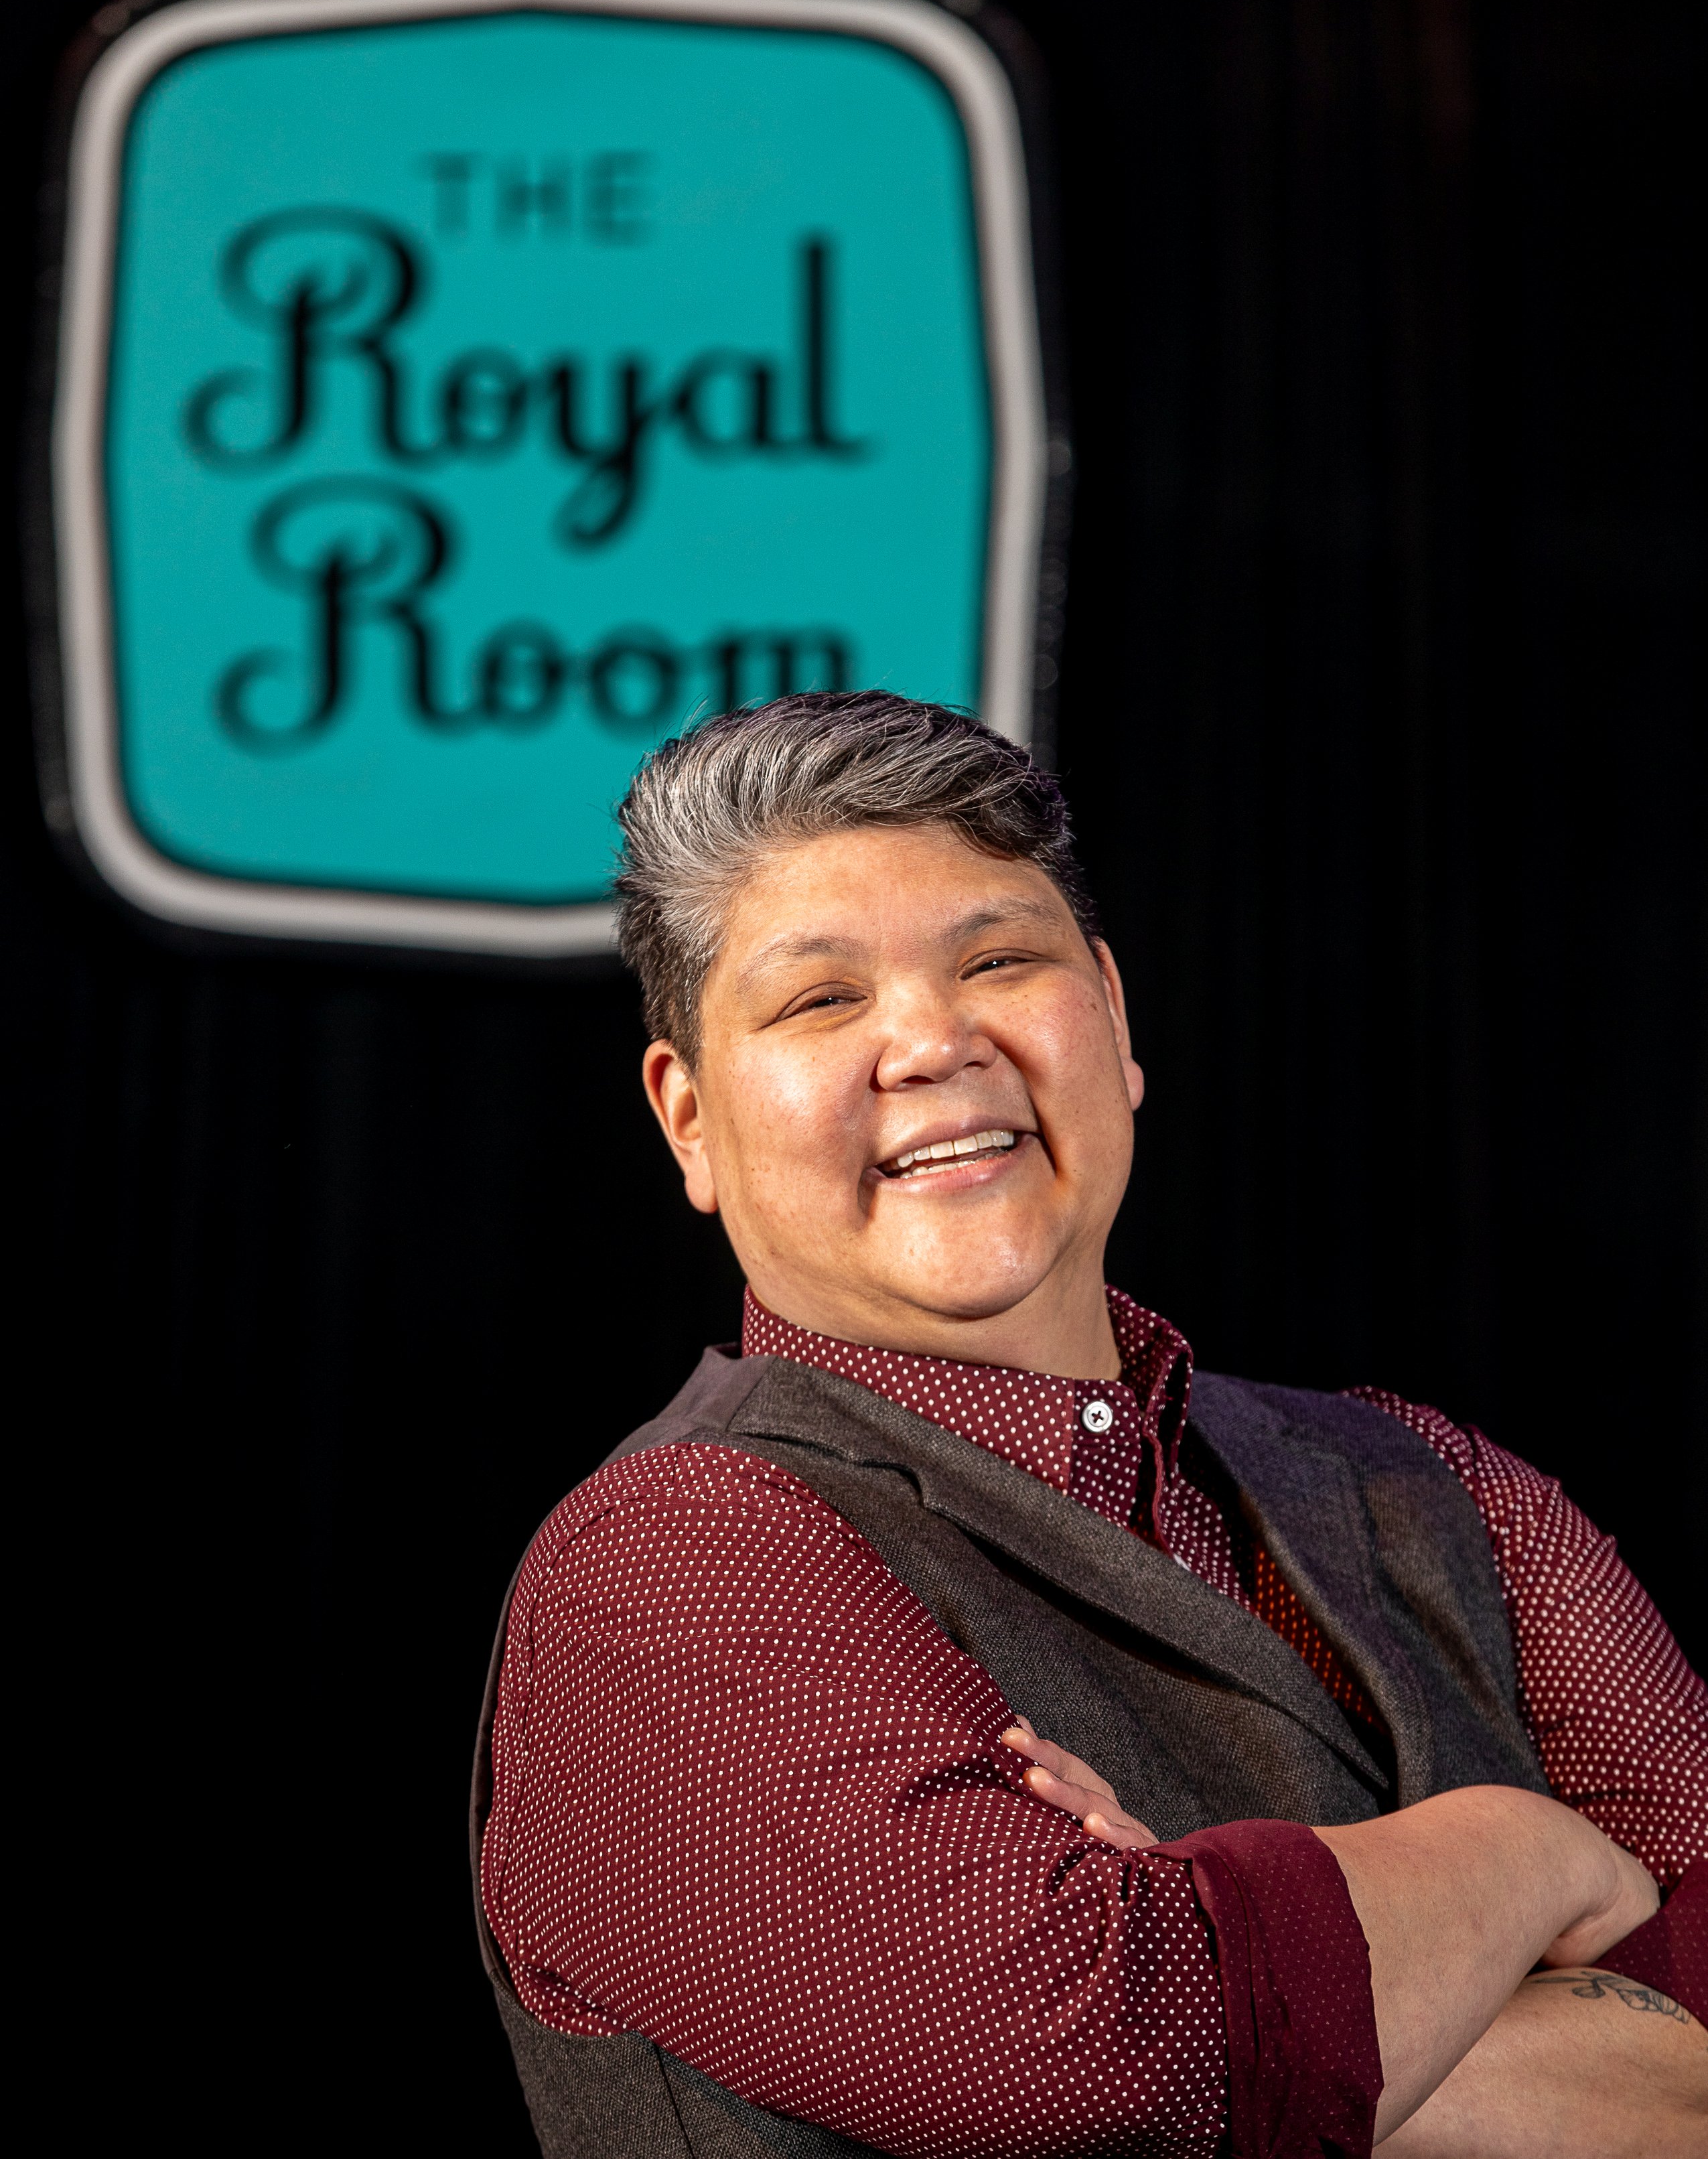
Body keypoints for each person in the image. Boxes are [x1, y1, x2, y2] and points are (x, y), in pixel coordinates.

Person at [472, 693, 1706, 2158]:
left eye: (998, 960)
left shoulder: (1442, 1488)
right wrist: (1527, 1851)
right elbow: (1102, 2063)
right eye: (820, 999)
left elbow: (1179, 2052)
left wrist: (1212, 1943)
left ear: (1113, 1020)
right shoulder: (665, 1570)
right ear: (688, 1120)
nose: (933, 1043)